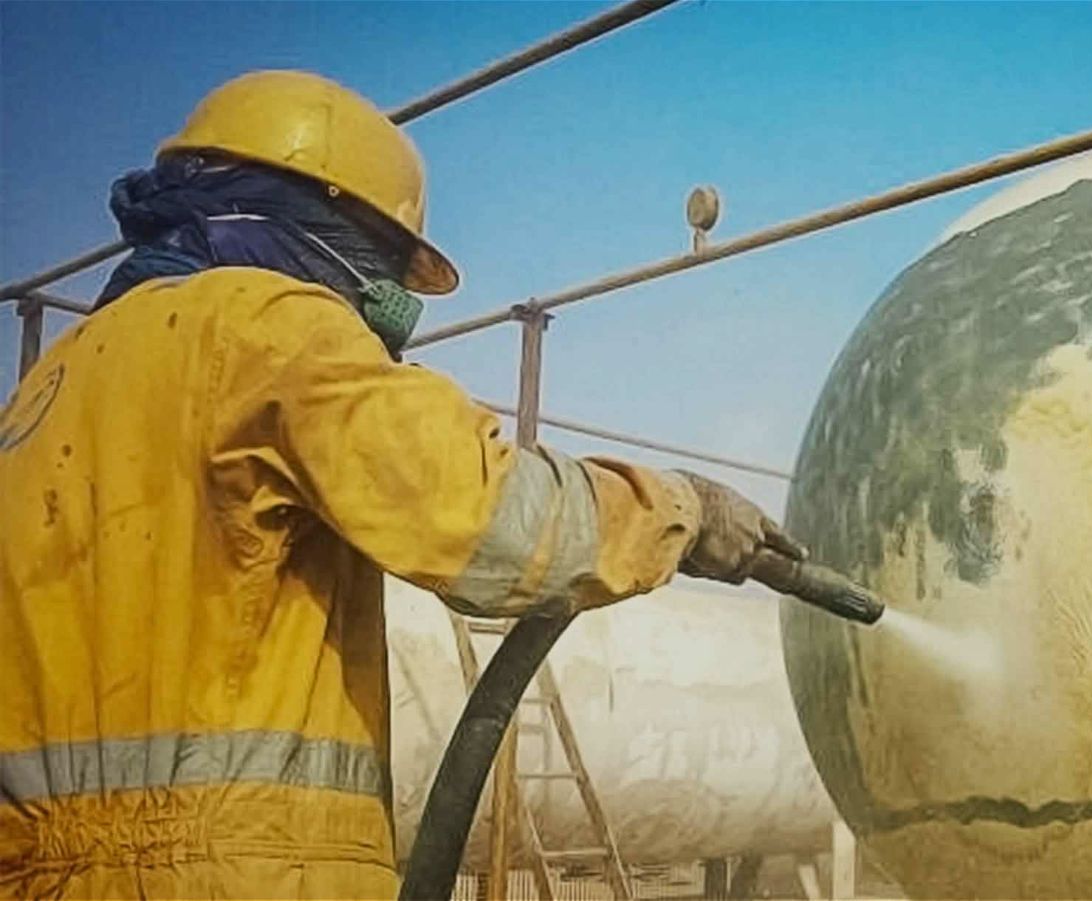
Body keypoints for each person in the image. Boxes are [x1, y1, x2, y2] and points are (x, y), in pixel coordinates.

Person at [0, 70, 803, 899]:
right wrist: (681, 510)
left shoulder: (42, 394)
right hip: (244, 873)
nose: (382, 295)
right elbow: (492, 519)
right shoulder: (271, 327)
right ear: (323, 217)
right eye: (381, 257)